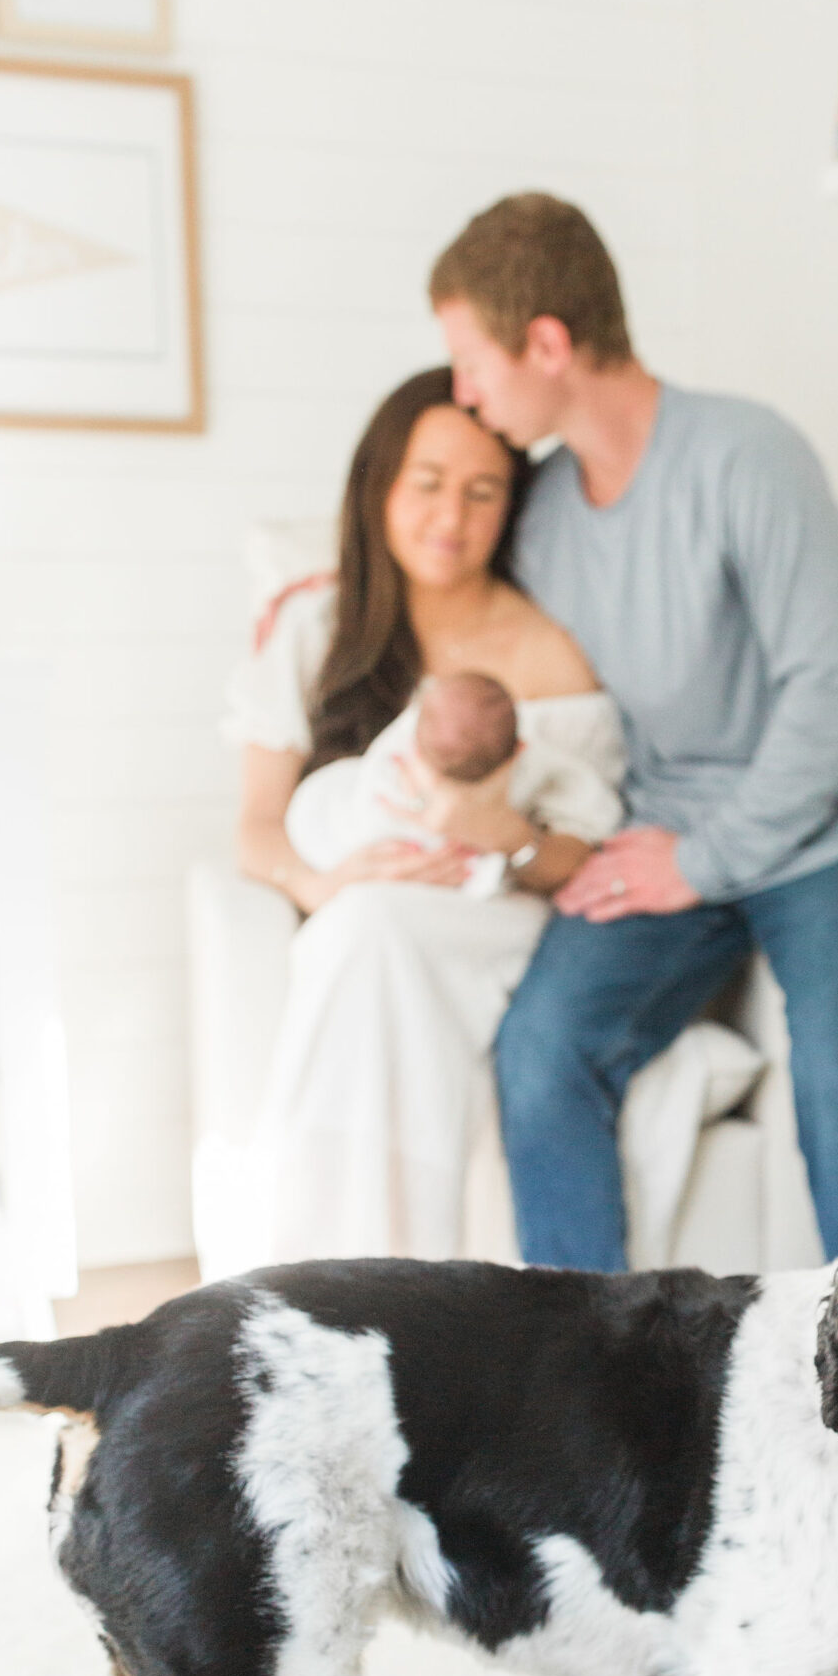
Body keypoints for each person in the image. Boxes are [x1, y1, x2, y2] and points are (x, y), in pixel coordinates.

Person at [429, 192, 838, 1272]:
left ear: (548, 343)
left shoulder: (749, 456)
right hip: (669, 837)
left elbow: (835, 701)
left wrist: (702, 862)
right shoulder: (546, 511)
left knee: (834, 1061)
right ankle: (585, 1384)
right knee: (544, 1047)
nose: (465, 392)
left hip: (837, 831)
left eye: (473, 359)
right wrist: (326, 601)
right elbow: (455, 608)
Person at [225, 366, 625, 1265]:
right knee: (360, 925)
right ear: (380, 487)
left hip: (494, 920)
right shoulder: (315, 623)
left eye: (482, 492)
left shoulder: (546, 651)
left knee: (372, 933)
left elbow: (578, 853)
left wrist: (503, 836)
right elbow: (256, 825)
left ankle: (364, 1281)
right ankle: (332, 1271)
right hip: (360, 908)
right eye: (429, 484)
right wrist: (320, 882)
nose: (452, 518)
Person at [285, 668, 622, 901]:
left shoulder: (419, 738)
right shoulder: (394, 767)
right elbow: (587, 798)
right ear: (518, 748)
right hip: (355, 837)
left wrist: (502, 835)